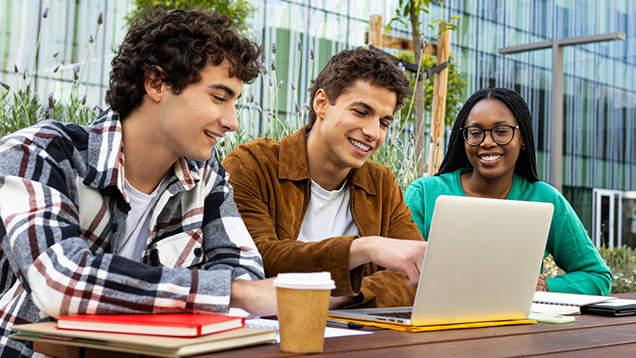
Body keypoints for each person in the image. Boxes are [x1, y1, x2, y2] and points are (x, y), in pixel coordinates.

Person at [0, 10, 276, 357]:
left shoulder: (206, 178)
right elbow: (60, 282)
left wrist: (233, 290)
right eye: (219, 98)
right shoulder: (40, 153)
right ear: (156, 83)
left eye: (235, 102)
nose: (232, 121)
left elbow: (245, 268)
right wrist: (228, 293)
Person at [222, 48, 428, 309]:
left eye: (384, 122)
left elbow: (415, 273)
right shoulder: (253, 164)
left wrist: (338, 299)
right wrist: (366, 248)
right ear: (321, 104)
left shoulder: (382, 183)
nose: (373, 132)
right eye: (361, 112)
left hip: (356, 337)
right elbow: (259, 260)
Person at [404, 87, 612, 295]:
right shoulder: (424, 194)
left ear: (522, 139)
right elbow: (396, 274)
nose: (487, 142)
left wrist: (548, 286)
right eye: (475, 133)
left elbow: (597, 276)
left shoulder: (545, 199)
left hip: (518, 325)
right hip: (437, 323)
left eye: (502, 132)